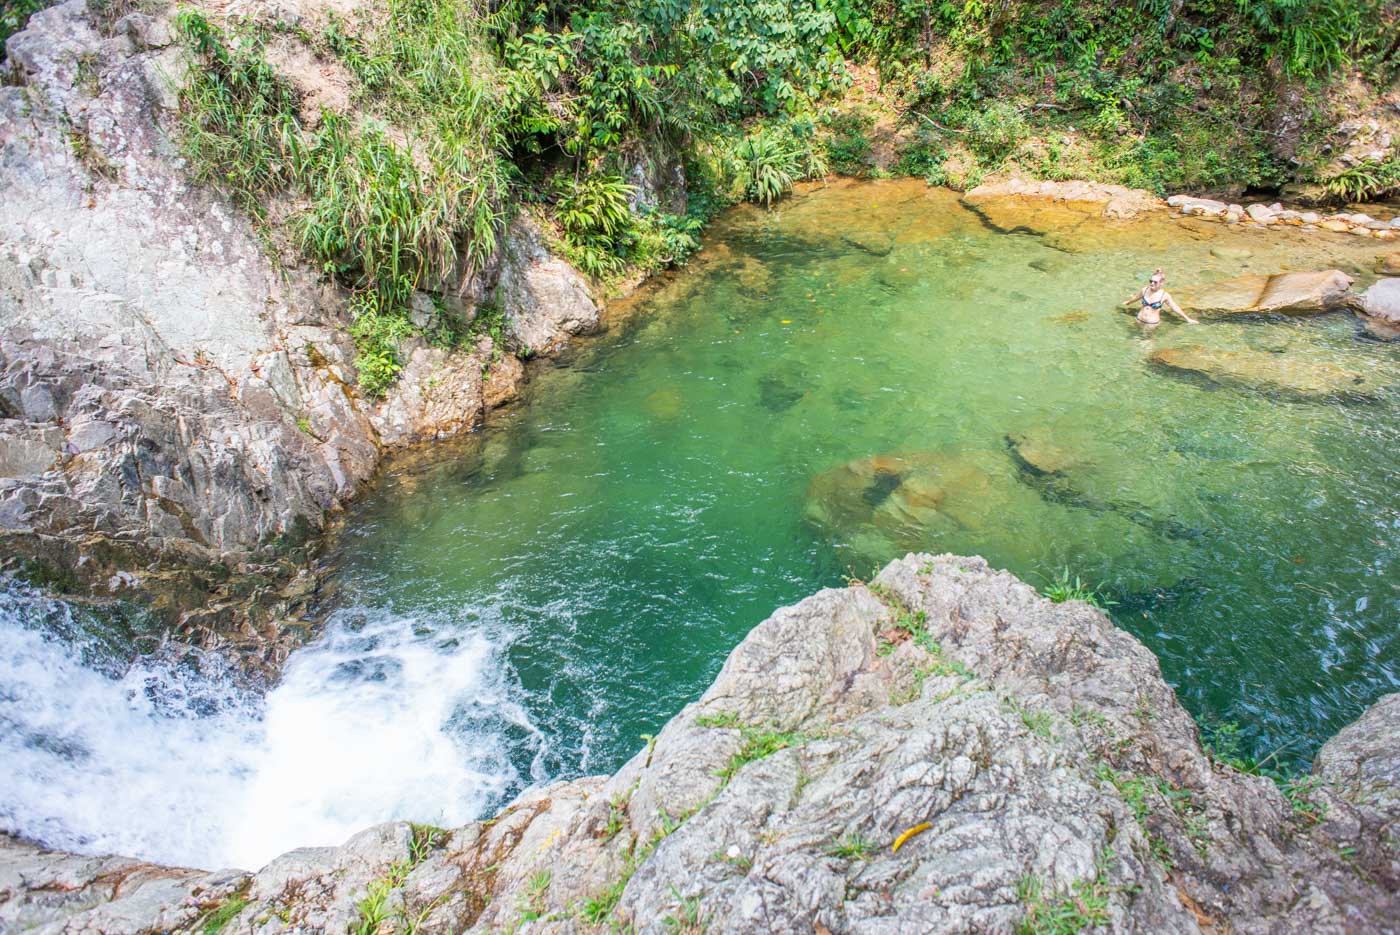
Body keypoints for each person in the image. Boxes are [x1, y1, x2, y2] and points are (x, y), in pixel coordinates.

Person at [1123, 268, 1198, 325]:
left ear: (1161, 283)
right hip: (1138, 320)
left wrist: (1188, 319)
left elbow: (1175, 307)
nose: (1152, 283)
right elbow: (1136, 298)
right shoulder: (1145, 290)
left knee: (1147, 343)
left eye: (1155, 282)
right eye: (1150, 281)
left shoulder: (1164, 295)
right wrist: (1128, 302)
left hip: (1151, 324)